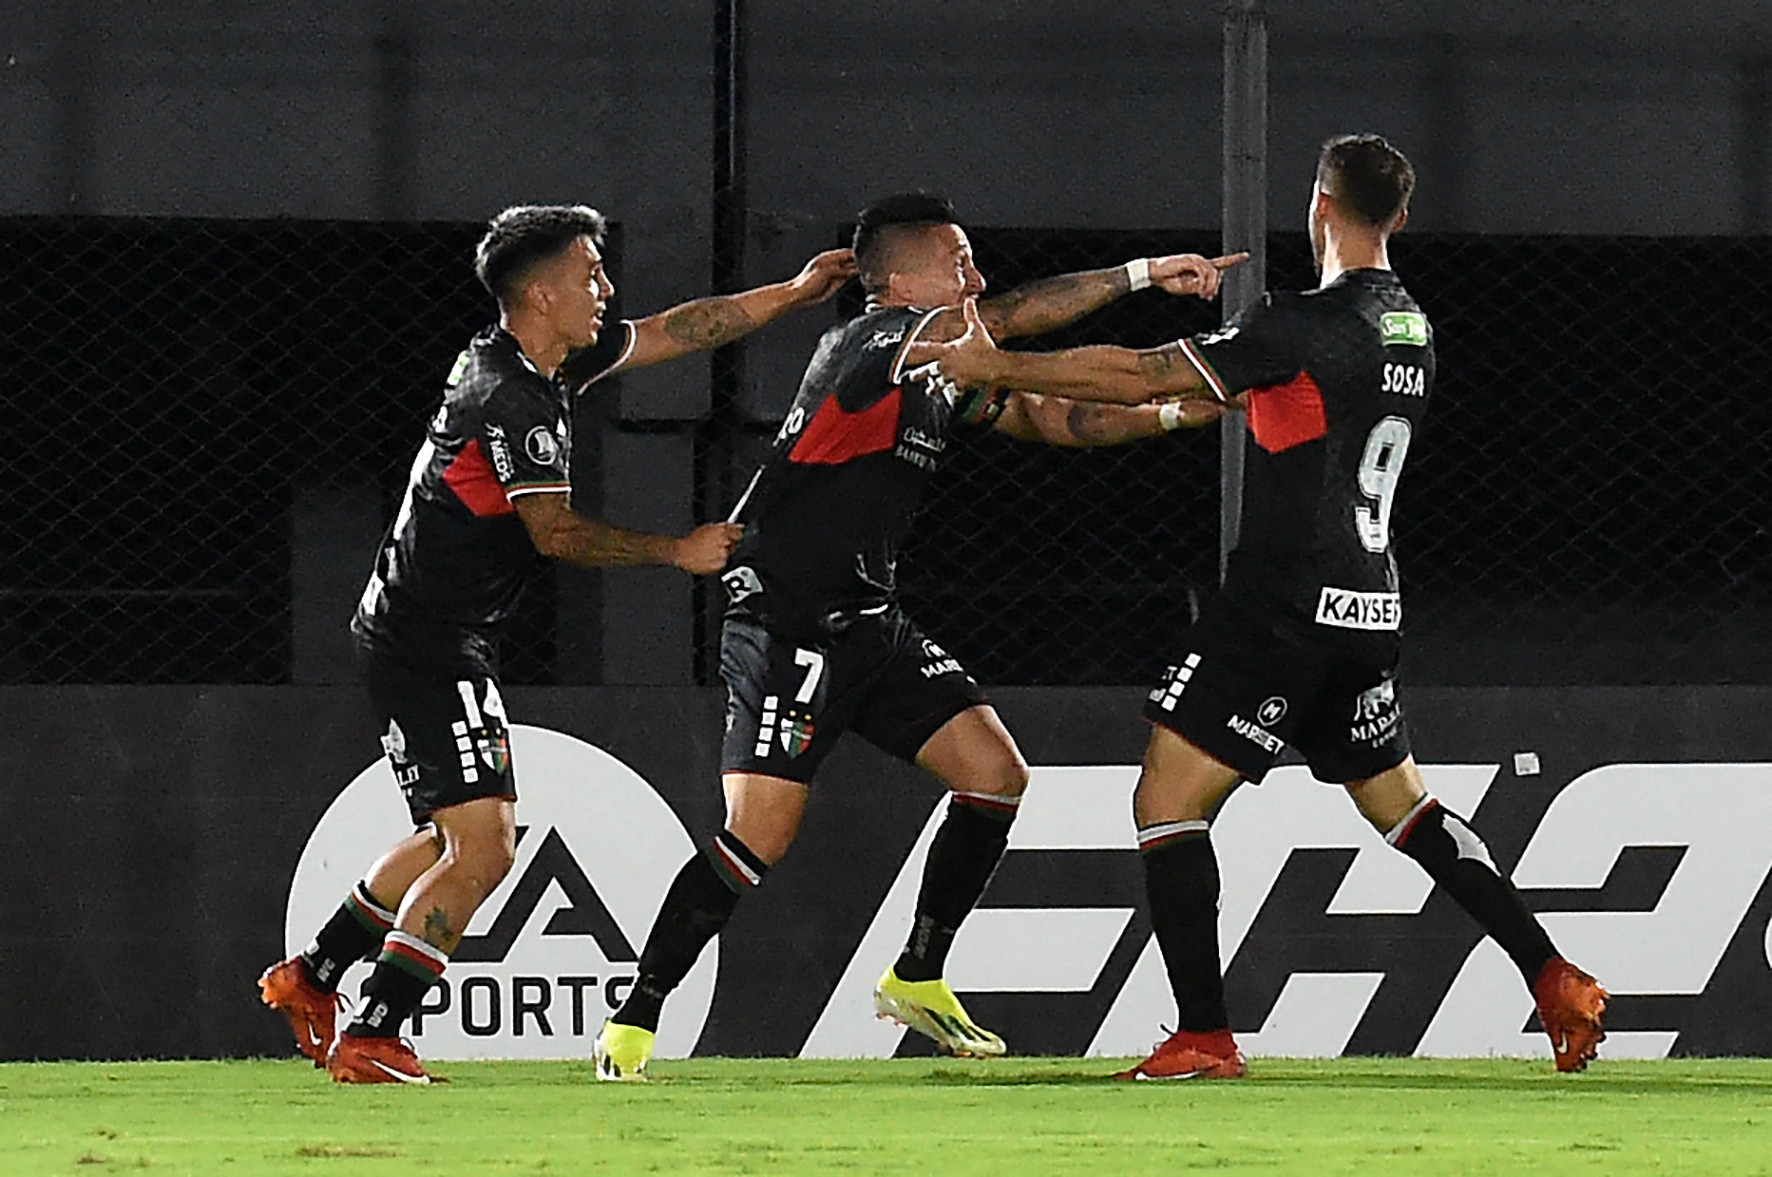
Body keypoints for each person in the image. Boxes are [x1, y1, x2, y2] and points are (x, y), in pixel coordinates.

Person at [909, 135, 1608, 1079]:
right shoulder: (1411, 326)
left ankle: (1204, 1034)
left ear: (1319, 205)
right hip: (1370, 605)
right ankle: (1551, 969)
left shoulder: (1299, 322)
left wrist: (996, 367)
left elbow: (1146, 371)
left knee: (1167, 798)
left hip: (1284, 604)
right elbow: (1286, 413)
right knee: (1405, 805)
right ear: (1397, 217)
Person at [593, 192, 1243, 1080]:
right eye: (960, 261)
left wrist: (1176, 414)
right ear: (900, 281)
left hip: (867, 618)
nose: (976, 277)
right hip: (787, 616)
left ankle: (918, 973)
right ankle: (634, 1018)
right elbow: (1006, 319)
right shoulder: (871, 345)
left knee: (994, 775)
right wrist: (1141, 273)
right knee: (758, 834)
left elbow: (1049, 414)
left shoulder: (938, 369)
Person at [258, 204, 855, 1084]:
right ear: (540, 292)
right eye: (590, 273)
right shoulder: (511, 395)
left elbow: (675, 331)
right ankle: (374, 1032)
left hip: (422, 630)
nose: (606, 289)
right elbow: (555, 533)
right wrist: (675, 550)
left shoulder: (541, 360)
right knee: (486, 848)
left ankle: (312, 975)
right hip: (429, 639)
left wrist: (796, 293)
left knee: (447, 835)